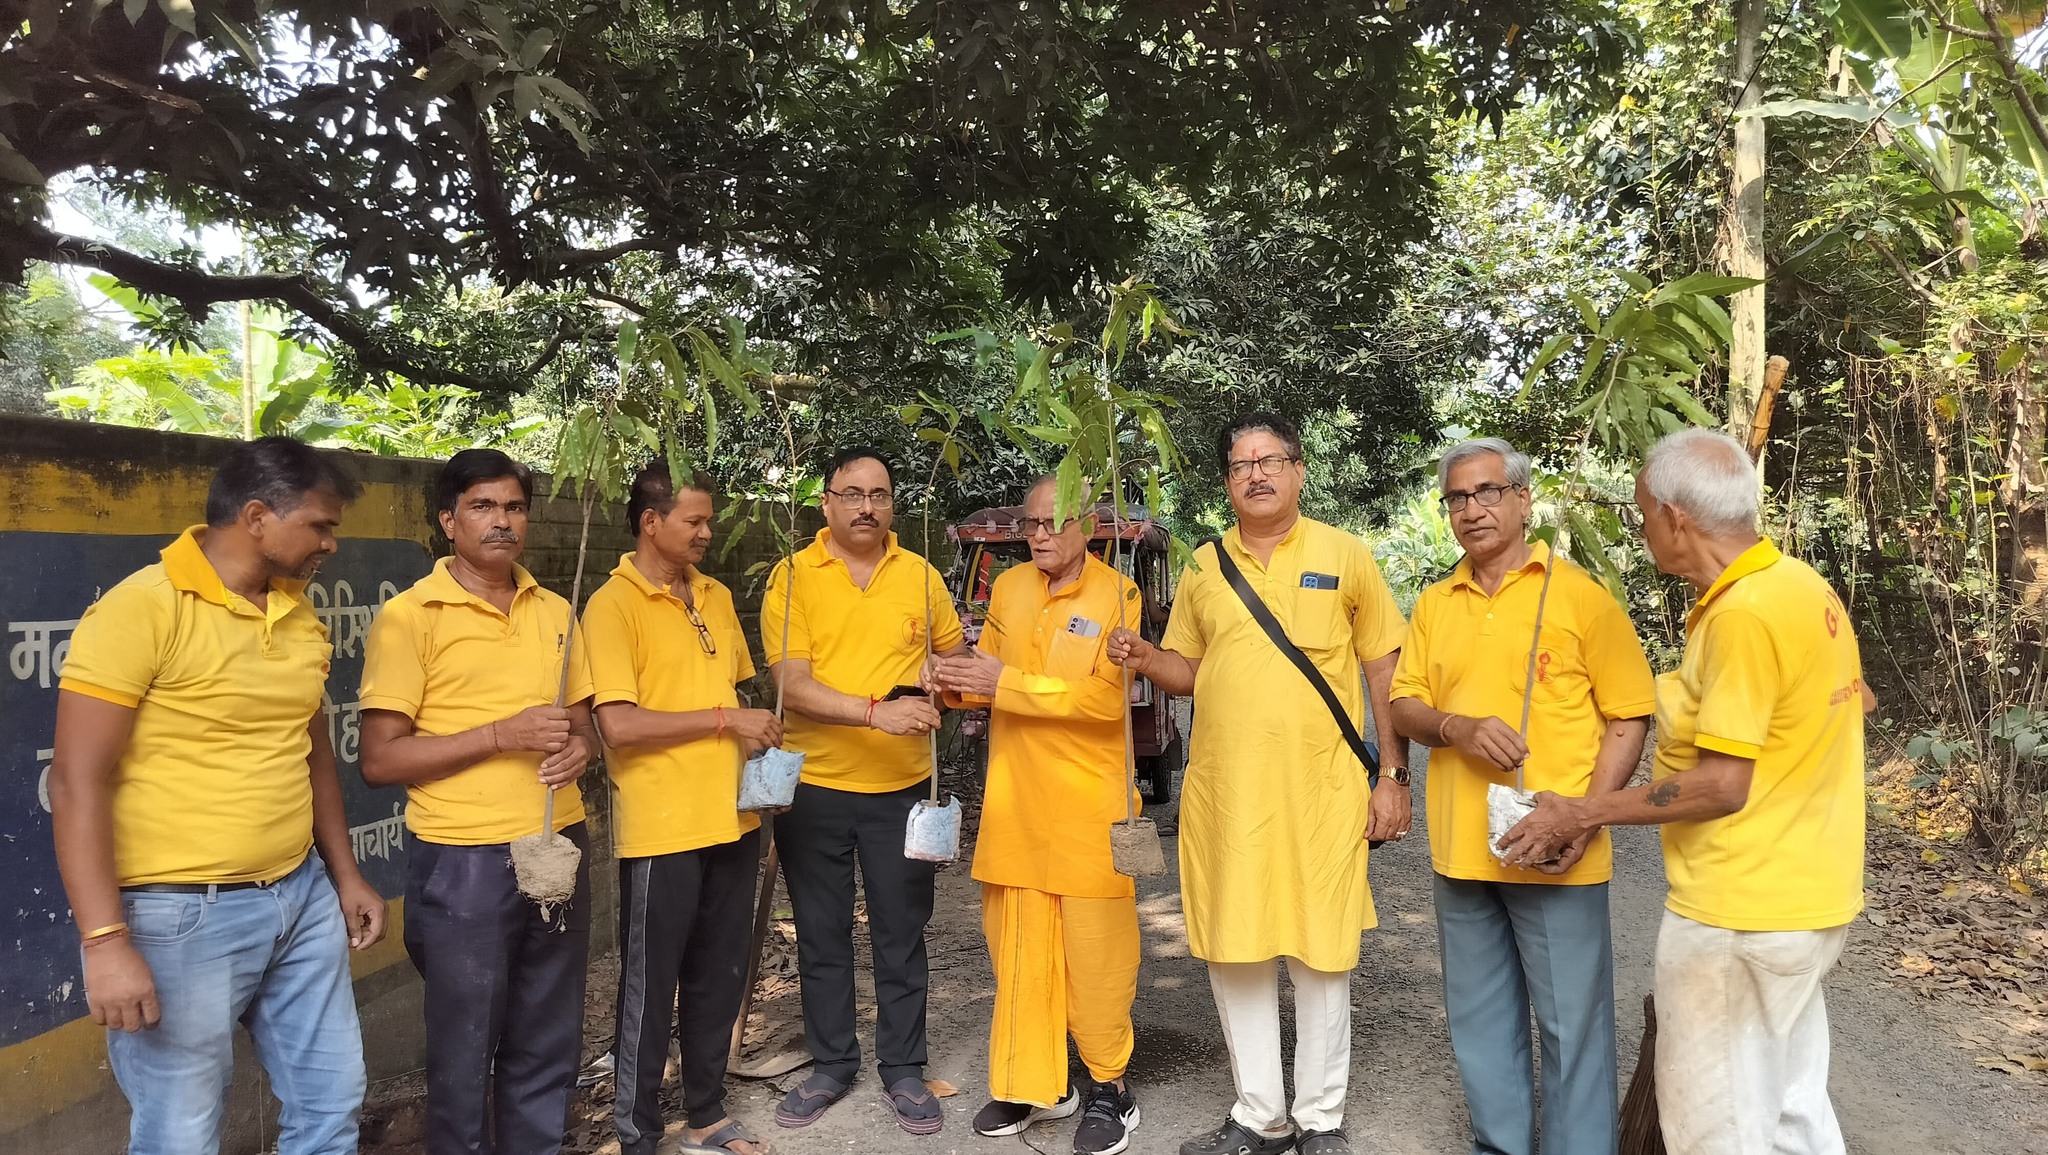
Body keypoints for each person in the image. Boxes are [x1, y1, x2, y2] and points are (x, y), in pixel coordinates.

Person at [1498, 428, 1873, 1155]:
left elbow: (1723, 785)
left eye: (1643, 515)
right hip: (1811, 899)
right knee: (1790, 1109)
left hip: (1741, 911)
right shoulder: (1802, 586)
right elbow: (1857, 700)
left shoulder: (1742, 615)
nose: (1642, 530)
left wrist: (1584, 810)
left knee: (1716, 1125)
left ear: (1674, 517)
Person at [49, 436, 386, 1155]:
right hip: (180, 914)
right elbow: (76, 780)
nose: (330, 543)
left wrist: (345, 874)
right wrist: (105, 942)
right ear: (258, 517)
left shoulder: (297, 611)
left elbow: (311, 750)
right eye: (320, 525)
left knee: (331, 1104)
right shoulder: (142, 610)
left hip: (300, 896)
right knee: (182, 1133)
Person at [1107, 411, 1410, 1155]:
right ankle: (1259, 1114)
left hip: (1323, 792)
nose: (1257, 474)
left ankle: (1320, 1119)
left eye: (1271, 459)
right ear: (1227, 482)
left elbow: (1384, 669)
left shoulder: (1345, 554)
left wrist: (1393, 775)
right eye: (1242, 464)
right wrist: (1144, 656)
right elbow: (1188, 670)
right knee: (1236, 948)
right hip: (1229, 795)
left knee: (1321, 952)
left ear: (1299, 470)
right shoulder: (1204, 566)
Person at [1387, 437, 1654, 1155]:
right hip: (1462, 854)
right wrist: (1457, 727)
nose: (1472, 509)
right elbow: (1404, 705)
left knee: (1573, 1026)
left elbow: (1628, 715)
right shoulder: (1435, 602)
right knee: (1480, 1020)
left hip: (1555, 848)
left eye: (1488, 491)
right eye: (1457, 497)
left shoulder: (1579, 595)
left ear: (1523, 499)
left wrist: (1585, 820)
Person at [358, 448, 599, 1155]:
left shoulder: (556, 609)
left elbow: (582, 724)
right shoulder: (410, 617)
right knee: (465, 1048)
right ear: (448, 520)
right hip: (463, 857)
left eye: (514, 507)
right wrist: (501, 734)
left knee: (547, 1033)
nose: (502, 521)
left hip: (557, 842)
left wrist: (581, 749)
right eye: (483, 506)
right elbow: (380, 758)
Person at [930, 477, 1145, 1155]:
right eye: (1032, 524)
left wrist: (1007, 684)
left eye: (1055, 521)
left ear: (1090, 524)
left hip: (1088, 805)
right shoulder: (1011, 588)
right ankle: (1037, 1083)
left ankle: (1110, 1086)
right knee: (1018, 949)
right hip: (1017, 800)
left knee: (1097, 956)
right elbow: (987, 673)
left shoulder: (1119, 595)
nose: (1041, 534)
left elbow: (1103, 701)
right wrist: (951, 680)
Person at [762, 445, 966, 1135]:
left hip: (903, 789)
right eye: (852, 494)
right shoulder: (793, 577)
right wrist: (877, 712)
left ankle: (904, 1067)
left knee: (900, 933)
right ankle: (831, 1064)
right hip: (815, 787)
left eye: (879, 495)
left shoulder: (921, 576)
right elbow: (792, 685)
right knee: (821, 933)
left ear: (892, 504)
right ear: (826, 503)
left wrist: (947, 678)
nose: (867, 507)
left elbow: (954, 662)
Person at [581, 463, 782, 1155]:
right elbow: (619, 725)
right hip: (661, 827)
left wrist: (759, 753)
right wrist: (728, 719)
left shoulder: (715, 594)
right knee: (649, 985)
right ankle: (637, 1133)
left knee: (717, 976)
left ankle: (707, 1114)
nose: (706, 532)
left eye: (707, 520)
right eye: (694, 520)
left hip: (733, 817)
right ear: (650, 522)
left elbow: (735, 693)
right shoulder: (612, 606)